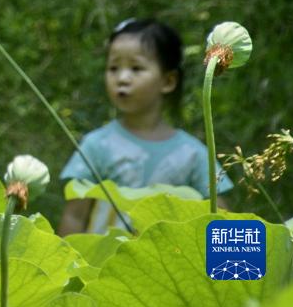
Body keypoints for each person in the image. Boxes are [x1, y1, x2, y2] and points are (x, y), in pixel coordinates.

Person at [57, 18, 234, 235]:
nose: (122, 78)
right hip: (100, 267)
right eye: (113, 68)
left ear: (168, 81)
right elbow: (74, 216)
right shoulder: (97, 145)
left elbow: (222, 219)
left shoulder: (193, 154)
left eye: (136, 68)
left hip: (167, 266)